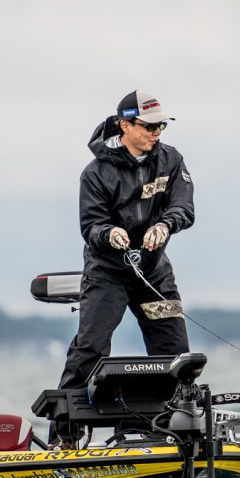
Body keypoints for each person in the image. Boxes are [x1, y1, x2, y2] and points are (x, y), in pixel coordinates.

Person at [57, 89, 195, 394]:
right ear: (125, 125)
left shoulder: (171, 160)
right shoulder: (94, 173)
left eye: (161, 125)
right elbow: (91, 226)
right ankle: (65, 419)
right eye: (149, 126)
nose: (157, 132)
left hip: (154, 272)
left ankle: (175, 413)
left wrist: (165, 225)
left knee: (175, 350)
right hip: (107, 273)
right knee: (90, 347)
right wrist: (110, 234)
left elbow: (183, 207)